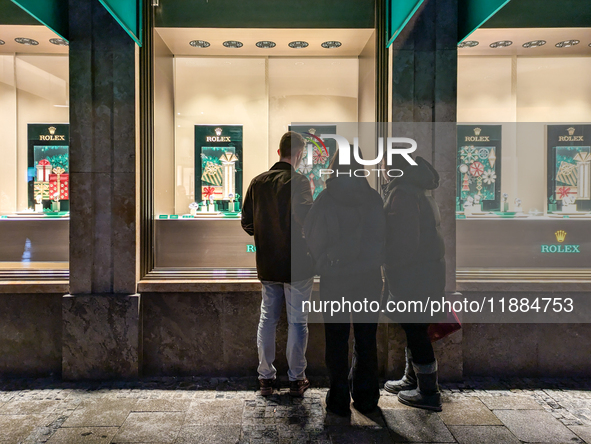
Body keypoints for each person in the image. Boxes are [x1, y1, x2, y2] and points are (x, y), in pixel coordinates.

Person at [304, 148, 385, 416]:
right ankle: (366, 398)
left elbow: (311, 234)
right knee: (365, 339)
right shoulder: (373, 198)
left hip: (335, 279)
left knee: (336, 339)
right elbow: (384, 237)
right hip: (368, 279)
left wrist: (324, 261)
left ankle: (338, 398)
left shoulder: (326, 198)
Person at [241, 131, 314, 397]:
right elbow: (308, 220)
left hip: (268, 263)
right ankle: (296, 378)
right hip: (298, 265)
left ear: (278, 152)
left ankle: (266, 378)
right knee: (297, 322)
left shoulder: (257, 182)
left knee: (267, 319)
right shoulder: (300, 181)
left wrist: (265, 237)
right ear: (299, 154)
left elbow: (246, 222)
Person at [382, 155, 445, 412]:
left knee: (416, 331)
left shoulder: (404, 193)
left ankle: (428, 392)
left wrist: (390, 264)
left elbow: (404, 241)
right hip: (425, 272)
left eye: (386, 166)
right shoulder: (417, 190)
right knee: (413, 327)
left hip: (413, 275)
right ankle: (414, 379)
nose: (383, 171)